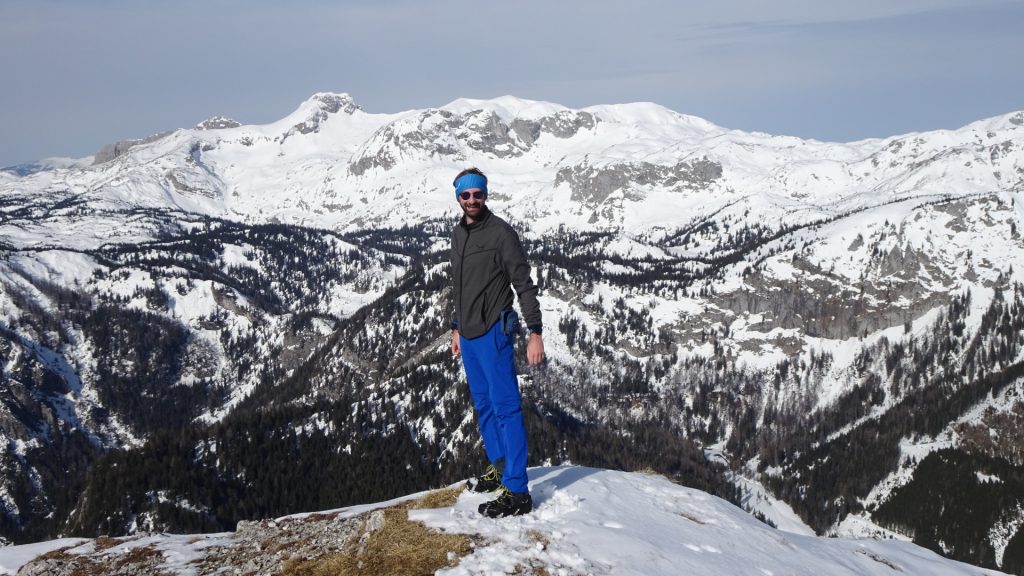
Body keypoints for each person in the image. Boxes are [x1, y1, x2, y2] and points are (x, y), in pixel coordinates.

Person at [449, 167, 545, 518]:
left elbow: (523, 283)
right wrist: (456, 327)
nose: (472, 200)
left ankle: (518, 489)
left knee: (506, 408)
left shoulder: (502, 234)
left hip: (494, 332)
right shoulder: (459, 234)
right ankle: (500, 467)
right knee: (484, 405)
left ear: (486, 195)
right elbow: (460, 285)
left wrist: (535, 331)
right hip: (470, 336)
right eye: (466, 195)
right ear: (458, 197)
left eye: (478, 194)